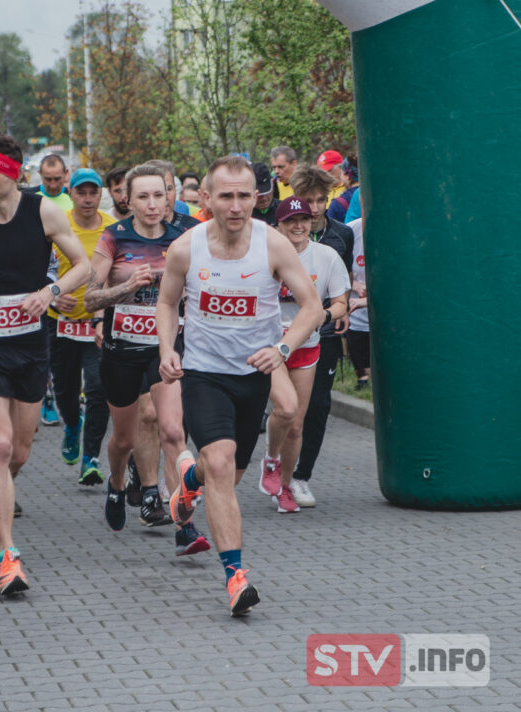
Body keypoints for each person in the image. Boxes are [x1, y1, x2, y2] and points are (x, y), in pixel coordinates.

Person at [156, 155, 322, 615]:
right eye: (225, 196)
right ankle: (235, 576)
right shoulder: (187, 248)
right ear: (206, 198)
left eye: (244, 195)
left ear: (258, 197)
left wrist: (283, 349)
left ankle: (189, 479)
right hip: (205, 373)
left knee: (225, 473)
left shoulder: (272, 245)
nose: (235, 205)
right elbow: (168, 304)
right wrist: (167, 349)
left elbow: (313, 307)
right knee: (221, 463)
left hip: (255, 373)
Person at [0, 131, 90, 597]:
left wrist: (52, 291)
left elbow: (82, 265)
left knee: (19, 453)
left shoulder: (43, 211)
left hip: (31, 345)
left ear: (12, 175)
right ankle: (9, 556)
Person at [84, 164, 209, 555]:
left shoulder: (188, 234)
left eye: (160, 195)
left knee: (173, 431)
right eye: (143, 196)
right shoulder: (114, 238)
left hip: (165, 348)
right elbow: (89, 298)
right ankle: (118, 484)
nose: (153, 204)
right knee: (122, 439)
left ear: (169, 195)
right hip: (121, 352)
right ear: (128, 200)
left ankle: (183, 523)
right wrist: (126, 286)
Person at [258, 198, 350, 513]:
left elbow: (340, 302)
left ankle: (285, 487)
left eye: (304, 219)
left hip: (307, 345)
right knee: (284, 409)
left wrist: (321, 316)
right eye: (290, 221)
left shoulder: (327, 256)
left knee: (296, 425)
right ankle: (270, 459)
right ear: (278, 225)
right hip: (270, 347)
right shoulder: (262, 255)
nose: (298, 226)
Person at [288, 164, 355, 507]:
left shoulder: (342, 234)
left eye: (320, 200)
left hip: (324, 333)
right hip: (282, 334)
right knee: (285, 409)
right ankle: (276, 463)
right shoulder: (279, 235)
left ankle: (300, 477)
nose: (313, 209)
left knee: (317, 406)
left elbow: (341, 287)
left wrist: (336, 312)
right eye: (307, 200)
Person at [47, 168, 113, 486]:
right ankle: (72, 425)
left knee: (99, 387)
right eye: (81, 193)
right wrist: (54, 297)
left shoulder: (114, 228)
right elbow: (40, 270)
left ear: (101, 195)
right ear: (70, 194)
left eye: (93, 193)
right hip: (60, 323)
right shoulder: (58, 226)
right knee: (66, 389)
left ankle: (91, 458)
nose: (87, 199)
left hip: (99, 323)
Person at [345, 213, 370, 389]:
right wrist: (356, 285)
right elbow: (338, 271)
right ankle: (362, 378)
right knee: (357, 343)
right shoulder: (350, 231)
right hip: (357, 310)